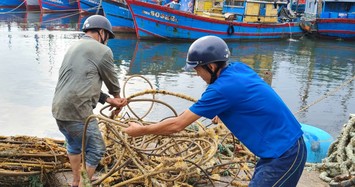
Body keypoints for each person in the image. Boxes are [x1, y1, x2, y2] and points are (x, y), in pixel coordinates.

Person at [124, 35, 307, 186]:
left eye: (197, 70)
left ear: (211, 67)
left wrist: (142, 130)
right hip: (280, 148)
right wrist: (223, 109)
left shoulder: (220, 89)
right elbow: (249, 94)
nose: (197, 75)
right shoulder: (238, 69)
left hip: (284, 154)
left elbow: (178, 124)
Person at [52, 15, 127, 187]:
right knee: (97, 149)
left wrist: (108, 100)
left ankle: (76, 181)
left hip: (59, 109)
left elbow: (83, 83)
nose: (107, 41)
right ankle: (84, 184)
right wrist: (117, 97)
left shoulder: (74, 46)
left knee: (74, 144)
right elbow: (112, 80)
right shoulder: (102, 50)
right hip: (78, 111)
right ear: (102, 32)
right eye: (107, 37)